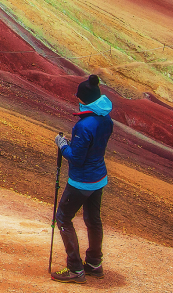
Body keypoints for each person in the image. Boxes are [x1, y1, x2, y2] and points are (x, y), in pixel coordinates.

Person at [52, 75, 115, 284]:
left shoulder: (84, 126)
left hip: (81, 181)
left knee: (63, 218)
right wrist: (74, 145)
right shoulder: (106, 120)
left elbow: (76, 159)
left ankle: (75, 269)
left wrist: (62, 145)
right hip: (99, 178)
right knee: (93, 220)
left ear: (84, 100)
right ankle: (95, 264)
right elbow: (91, 148)